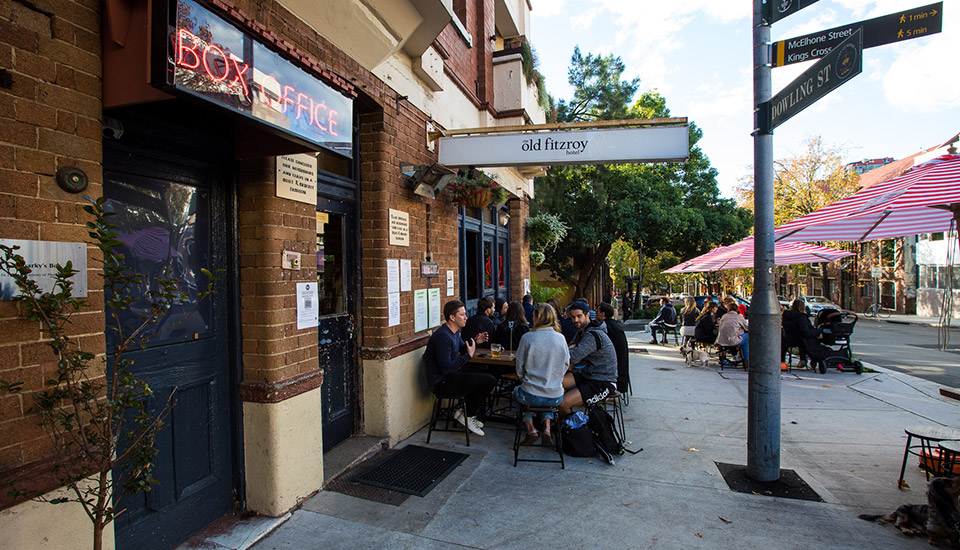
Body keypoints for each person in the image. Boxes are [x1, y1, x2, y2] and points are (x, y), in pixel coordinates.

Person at [423, 300, 495, 436]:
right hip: (441, 383)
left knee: (489, 375)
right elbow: (446, 368)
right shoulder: (443, 336)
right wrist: (468, 356)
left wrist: (475, 340)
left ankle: (465, 411)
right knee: (488, 380)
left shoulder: (454, 332)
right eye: (462, 315)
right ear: (452, 317)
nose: (466, 317)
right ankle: (467, 415)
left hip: (452, 376)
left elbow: (462, 348)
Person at [513, 303, 569, 446]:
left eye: (533, 315)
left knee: (516, 393)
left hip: (530, 394)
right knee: (546, 399)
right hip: (555, 396)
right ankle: (547, 428)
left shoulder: (528, 338)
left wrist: (522, 378)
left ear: (538, 317)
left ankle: (530, 428)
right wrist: (555, 378)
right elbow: (566, 364)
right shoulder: (561, 338)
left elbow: (519, 364)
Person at [559, 301, 618, 417]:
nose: (576, 320)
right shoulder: (582, 332)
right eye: (573, 317)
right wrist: (572, 348)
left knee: (562, 404)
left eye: (579, 316)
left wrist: (572, 349)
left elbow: (573, 357)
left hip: (603, 380)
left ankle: (574, 429)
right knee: (554, 384)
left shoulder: (592, 334)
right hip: (587, 374)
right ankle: (553, 423)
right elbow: (569, 349)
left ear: (587, 315)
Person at [597, 302, 630, 397]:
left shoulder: (606, 328)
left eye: (597, 311)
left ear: (603, 314)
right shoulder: (615, 325)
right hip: (621, 368)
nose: (595, 314)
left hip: (613, 373)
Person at [716, 296, 748, 364]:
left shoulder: (724, 316)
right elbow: (747, 327)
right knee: (747, 338)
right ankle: (746, 360)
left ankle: (740, 356)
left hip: (722, 341)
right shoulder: (739, 317)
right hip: (733, 340)